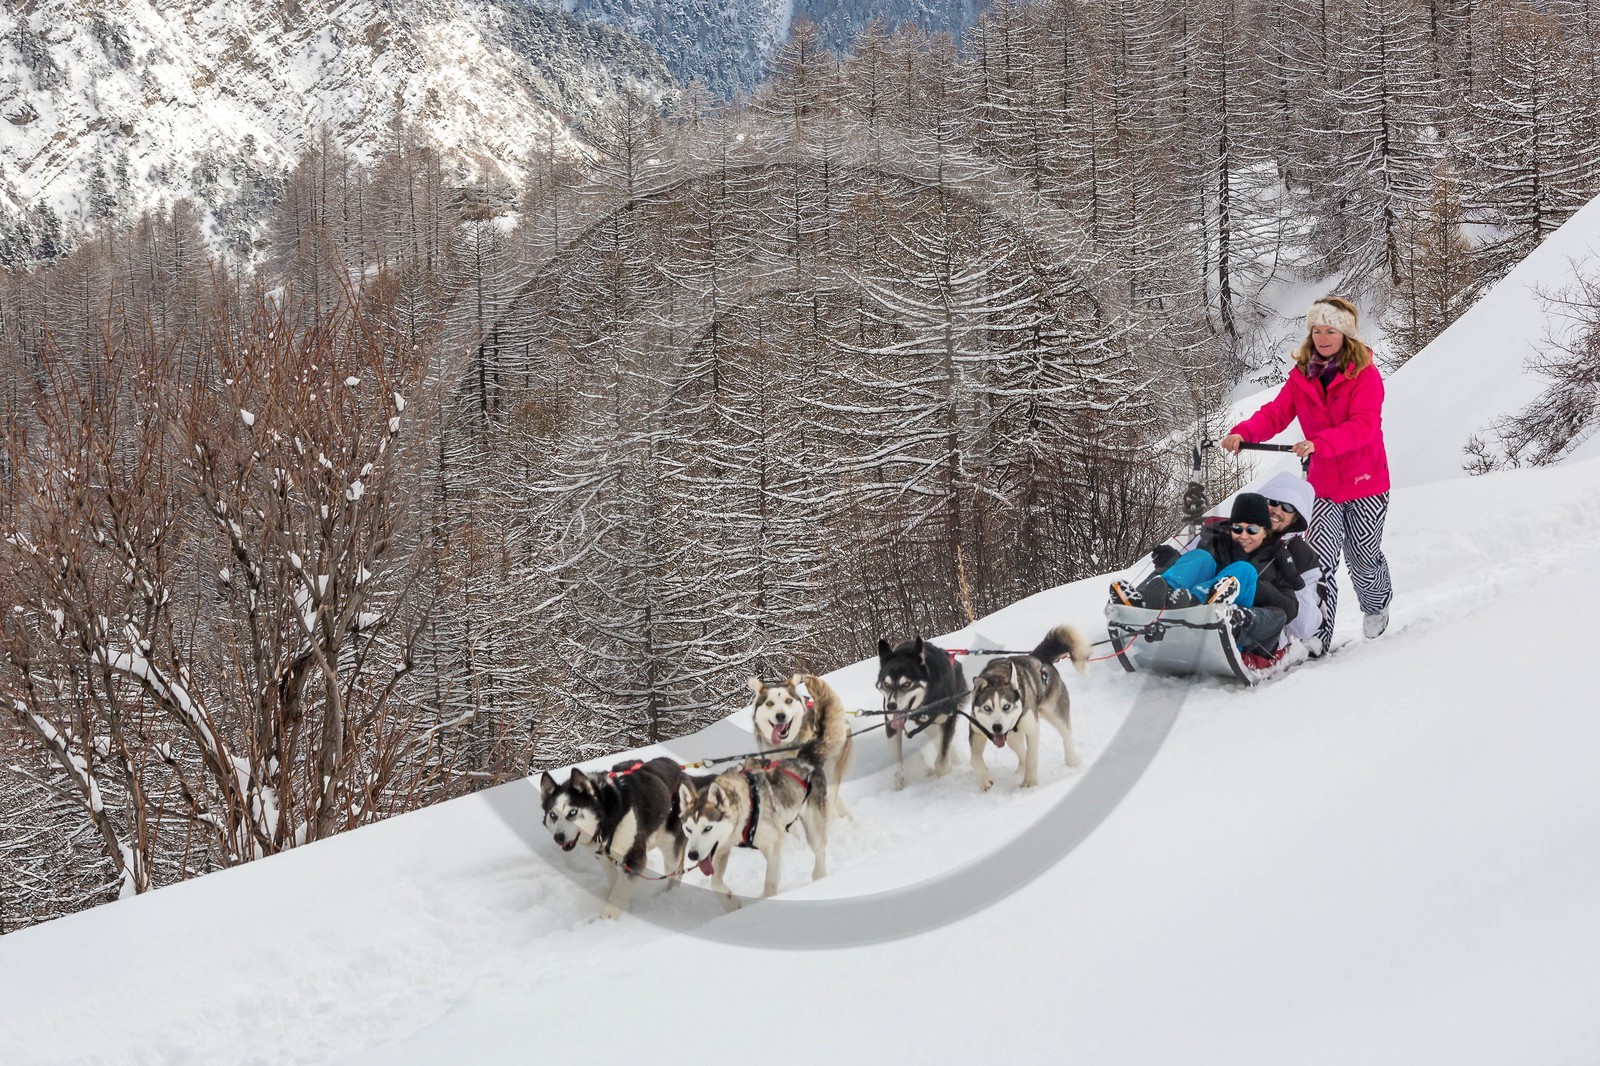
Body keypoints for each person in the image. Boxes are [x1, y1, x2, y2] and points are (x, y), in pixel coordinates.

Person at [1221, 296, 1393, 654]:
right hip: (1324, 489)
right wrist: (1244, 433)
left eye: (1331, 330)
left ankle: (1376, 604)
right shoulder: (1302, 377)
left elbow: (1363, 426)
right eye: (1317, 330)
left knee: (1363, 556)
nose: (1322, 338)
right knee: (1319, 562)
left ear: (1346, 334)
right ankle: (1319, 634)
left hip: (1366, 483)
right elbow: (1275, 413)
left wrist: (1319, 442)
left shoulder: (1365, 375)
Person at [1111, 492, 1302, 656]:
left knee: (1244, 570)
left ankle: (1198, 604)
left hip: (1236, 626)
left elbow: (1291, 608)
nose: (1244, 535)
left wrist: (1258, 588)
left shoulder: (1277, 560)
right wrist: (1174, 561)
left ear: (1265, 532)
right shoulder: (1218, 544)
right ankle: (1152, 600)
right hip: (1186, 604)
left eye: (1252, 529)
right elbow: (1198, 569)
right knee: (1201, 557)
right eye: (1238, 528)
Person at [1258, 470, 1323, 648]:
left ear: (1296, 517)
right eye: (1273, 502)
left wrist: (1295, 581)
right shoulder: (1240, 530)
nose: (1277, 511)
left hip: (1263, 629)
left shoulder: (1302, 556)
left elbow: (1305, 629)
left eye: (1287, 508)